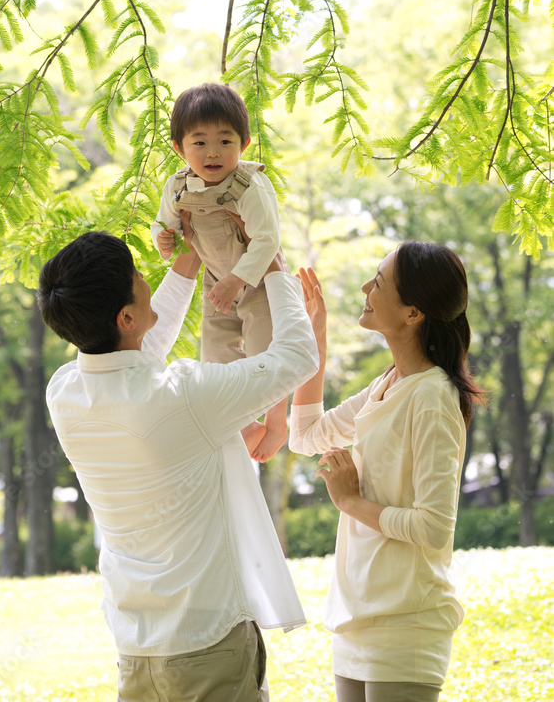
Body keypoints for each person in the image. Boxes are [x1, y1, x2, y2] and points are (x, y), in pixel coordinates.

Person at [39, 220, 321, 702]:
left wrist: (190, 259)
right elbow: (296, 358)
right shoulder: (185, 395)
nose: (146, 278)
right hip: (207, 643)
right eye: (136, 275)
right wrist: (271, 268)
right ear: (126, 316)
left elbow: (137, 351)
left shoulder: (64, 392)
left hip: (136, 645)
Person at [290, 243, 486, 702]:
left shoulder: (432, 396)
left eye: (378, 282)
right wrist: (315, 338)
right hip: (356, 617)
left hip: (405, 622)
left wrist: (351, 502)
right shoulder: (387, 384)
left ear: (413, 313)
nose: (365, 288)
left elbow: (434, 527)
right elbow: (305, 434)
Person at [151, 82, 288, 463]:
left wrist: (236, 280)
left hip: (258, 280)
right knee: (215, 354)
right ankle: (244, 425)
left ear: (243, 144)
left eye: (225, 141)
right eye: (199, 142)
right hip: (216, 279)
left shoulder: (251, 185)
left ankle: (277, 420)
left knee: (267, 351)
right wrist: (163, 239)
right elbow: (164, 224)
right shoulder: (178, 187)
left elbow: (267, 241)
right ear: (179, 148)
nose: (213, 152)